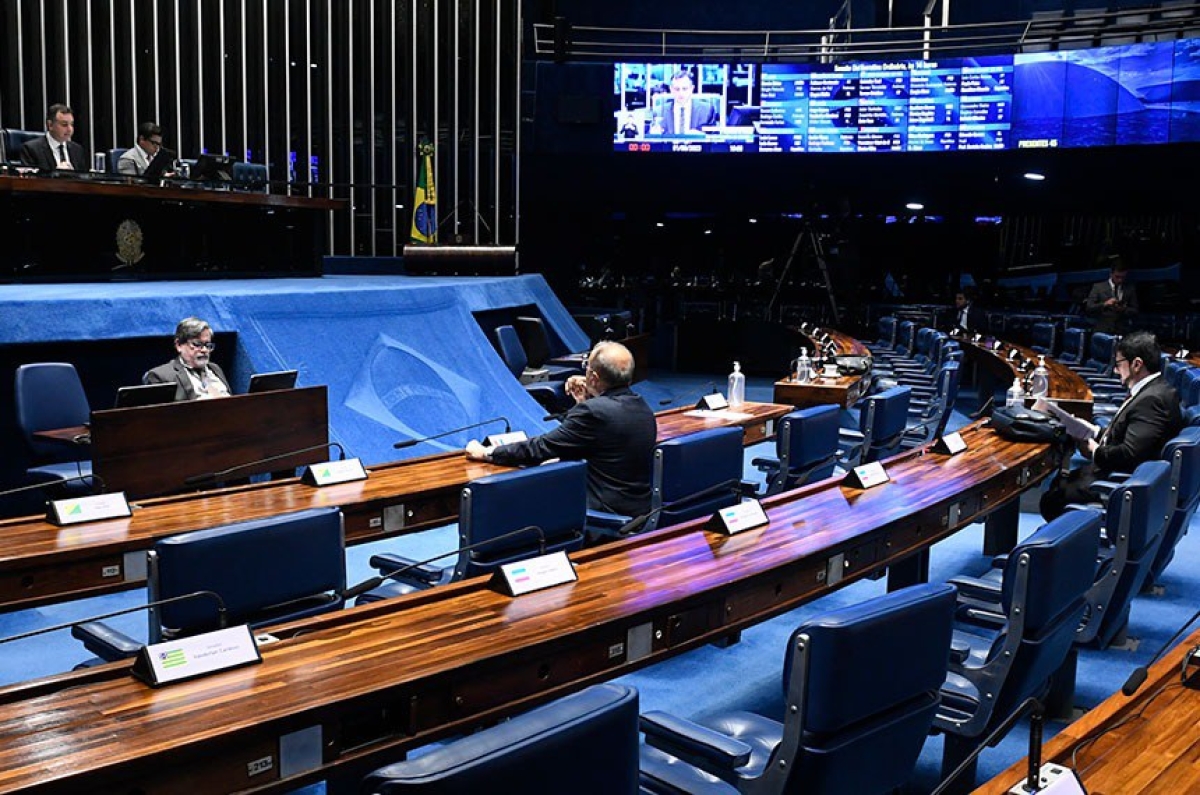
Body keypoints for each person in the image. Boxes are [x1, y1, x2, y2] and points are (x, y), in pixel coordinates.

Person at [465, 340, 657, 518]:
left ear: (594, 377)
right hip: (638, 507)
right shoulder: (643, 407)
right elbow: (582, 438)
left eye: (587, 368)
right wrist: (582, 402)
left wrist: (487, 452)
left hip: (603, 510)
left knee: (520, 493)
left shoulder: (593, 411)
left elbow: (541, 447)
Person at [1038, 330, 1183, 521]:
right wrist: (1095, 431)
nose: (1115, 370)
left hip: (1123, 482)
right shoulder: (1153, 390)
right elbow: (1132, 434)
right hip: (1119, 472)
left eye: (1119, 364)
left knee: (1053, 498)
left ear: (1137, 364)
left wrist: (1095, 451)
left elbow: (1130, 454)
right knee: (1060, 483)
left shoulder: (1152, 400)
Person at [143, 317, 232, 401]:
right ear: (179, 345)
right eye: (197, 344)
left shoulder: (215, 369)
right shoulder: (160, 376)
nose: (204, 350)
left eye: (208, 345)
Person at [20, 103, 88, 172]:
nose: (70, 129)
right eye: (64, 124)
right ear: (50, 125)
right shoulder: (32, 149)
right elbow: (31, 180)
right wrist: (57, 174)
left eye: (72, 124)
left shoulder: (77, 150)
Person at [649, 71, 718, 136]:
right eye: (677, 89)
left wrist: (701, 137)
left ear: (692, 88)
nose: (680, 93)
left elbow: (716, 139)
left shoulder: (706, 110)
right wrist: (653, 135)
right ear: (671, 89)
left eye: (684, 89)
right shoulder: (659, 111)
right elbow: (649, 140)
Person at [1085, 257, 1138, 334]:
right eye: (1117, 277)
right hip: (1102, 331)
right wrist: (1105, 304)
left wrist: (1123, 309)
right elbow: (1089, 307)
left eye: (1123, 277)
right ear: (1111, 274)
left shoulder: (1129, 289)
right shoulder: (1098, 287)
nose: (1120, 280)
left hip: (1121, 331)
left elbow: (1135, 310)